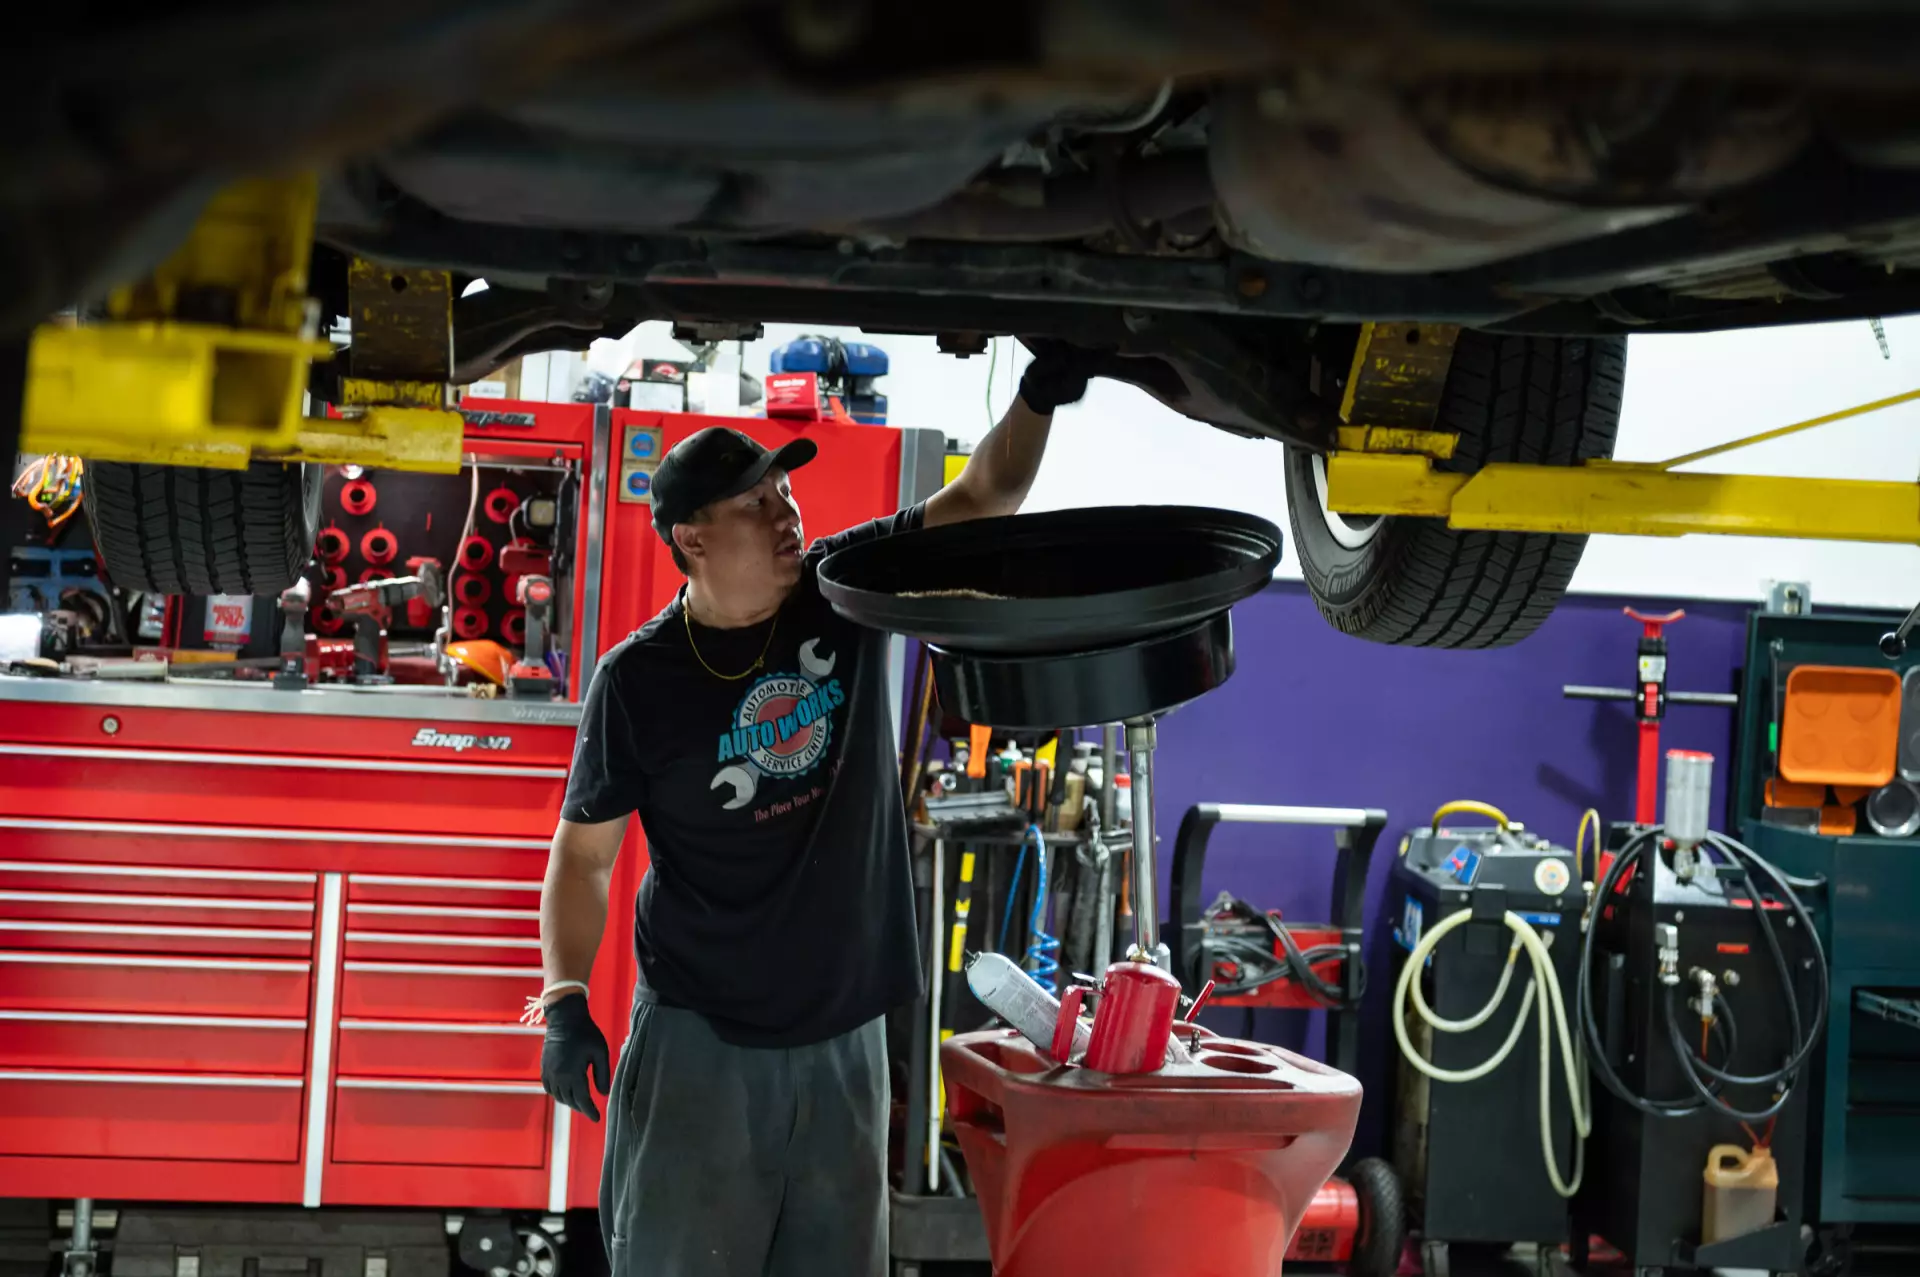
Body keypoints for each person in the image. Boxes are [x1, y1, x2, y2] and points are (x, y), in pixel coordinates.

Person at [533, 346, 1098, 1277]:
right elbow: (585, 857)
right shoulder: (637, 680)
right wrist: (564, 1001)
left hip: (844, 1037)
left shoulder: (843, 589)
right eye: (755, 503)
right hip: (701, 1039)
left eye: (785, 493)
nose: (786, 513)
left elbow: (984, 496)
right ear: (691, 539)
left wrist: (1039, 391)